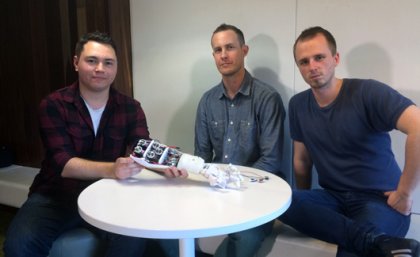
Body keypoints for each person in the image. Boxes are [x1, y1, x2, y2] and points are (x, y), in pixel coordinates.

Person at [3, 31, 186, 257]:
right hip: (55, 195)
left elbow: (142, 144)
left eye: (108, 62)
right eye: (92, 61)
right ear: (76, 63)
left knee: (134, 240)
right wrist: (112, 169)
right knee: (18, 246)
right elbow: (63, 163)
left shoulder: (130, 107)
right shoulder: (54, 105)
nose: (100, 68)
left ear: (116, 68)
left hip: (108, 194)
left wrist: (164, 163)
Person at [278, 26, 420, 257]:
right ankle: (375, 241)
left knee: (349, 253)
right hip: (332, 197)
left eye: (319, 57)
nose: (312, 67)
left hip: (381, 200)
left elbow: (418, 127)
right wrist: (305, 205)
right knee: (279, 201)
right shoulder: (298, 105)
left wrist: (404, 193)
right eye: (304, 62)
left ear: (335, 58)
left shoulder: (367, 92)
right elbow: (301, 162)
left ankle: (372, 240)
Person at [194, 23, 285, 257]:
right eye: (217, 50)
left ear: (244, 51)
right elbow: (202, 157)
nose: (223, 55)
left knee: (244, 238)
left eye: (230, 47)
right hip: (216, 190)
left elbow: (271, 160)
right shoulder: (207, 101)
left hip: (259, 194)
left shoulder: (267, 98)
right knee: (175, 222)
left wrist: (233, 186)